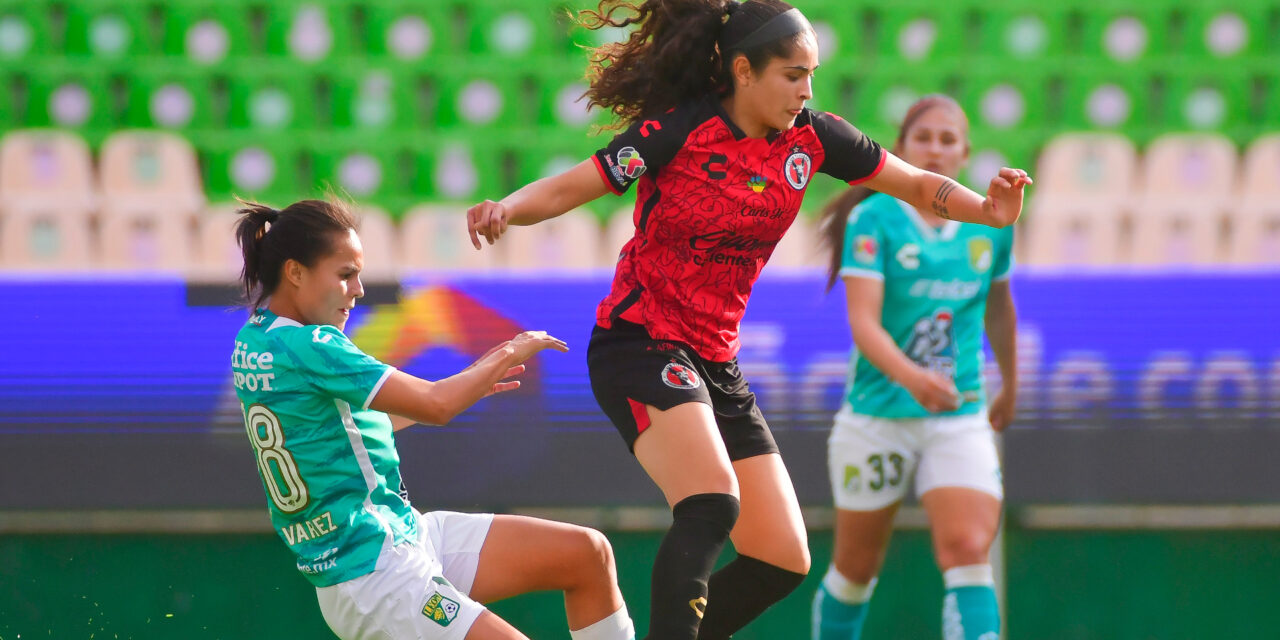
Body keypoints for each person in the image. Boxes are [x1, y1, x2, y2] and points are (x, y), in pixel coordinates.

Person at [466, 2, 1030, 638]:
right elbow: (579, 183)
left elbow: (918, 185)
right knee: (708, 501)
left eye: (811, 74)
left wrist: (989, 210)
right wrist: (507, 208)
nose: (806, 90)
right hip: (640, 342)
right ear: (743, 70)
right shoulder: (675, 131)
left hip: (714, 360)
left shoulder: (814, 139)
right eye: (793, 74)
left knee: (783, 557)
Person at [231, 198, 635, 640]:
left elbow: (356, 429)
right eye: (345, 274)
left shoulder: (255, 341)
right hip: (376, 575)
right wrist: (508, 352)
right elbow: (436, 405)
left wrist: (471, 381)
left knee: (587, 554)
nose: (359, 289)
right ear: (294, 272)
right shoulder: (315, 344)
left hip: (399, 537)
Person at [809, 95, 1018, 640]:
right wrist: (914, 378)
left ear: (966, 153)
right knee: (855, 570)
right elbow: (865, 325)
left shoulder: (992, 219)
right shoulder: (874, 217)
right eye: (924, 137)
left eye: (949, 140)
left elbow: (999, 304)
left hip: (959, 412)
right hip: (878, 415)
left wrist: (1011, 383)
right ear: (901, 147)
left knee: (970, 550)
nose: (936, 148)